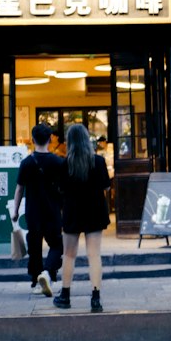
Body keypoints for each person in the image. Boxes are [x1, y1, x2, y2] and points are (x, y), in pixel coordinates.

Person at [53, 121, 110, 313]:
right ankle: (95, 298)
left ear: (70, 142)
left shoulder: (64, 164)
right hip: (95, 210)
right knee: (94, 254)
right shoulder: (99, 161)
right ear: (87, 140)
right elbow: (106, 186)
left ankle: (65, 295)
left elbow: (60, 189)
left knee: (69, 255)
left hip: (72, 211)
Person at [12, 122, 65, 298]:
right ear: (50, 139)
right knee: (57, 244)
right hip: (53, 210)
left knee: (34, 246)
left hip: (33, 211)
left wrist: (15, 211)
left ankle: (36, 281)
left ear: (33, 140)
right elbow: (65, 188)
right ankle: (48, 273)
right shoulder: (59, 162)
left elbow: (19, 189)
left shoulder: (26, 163)